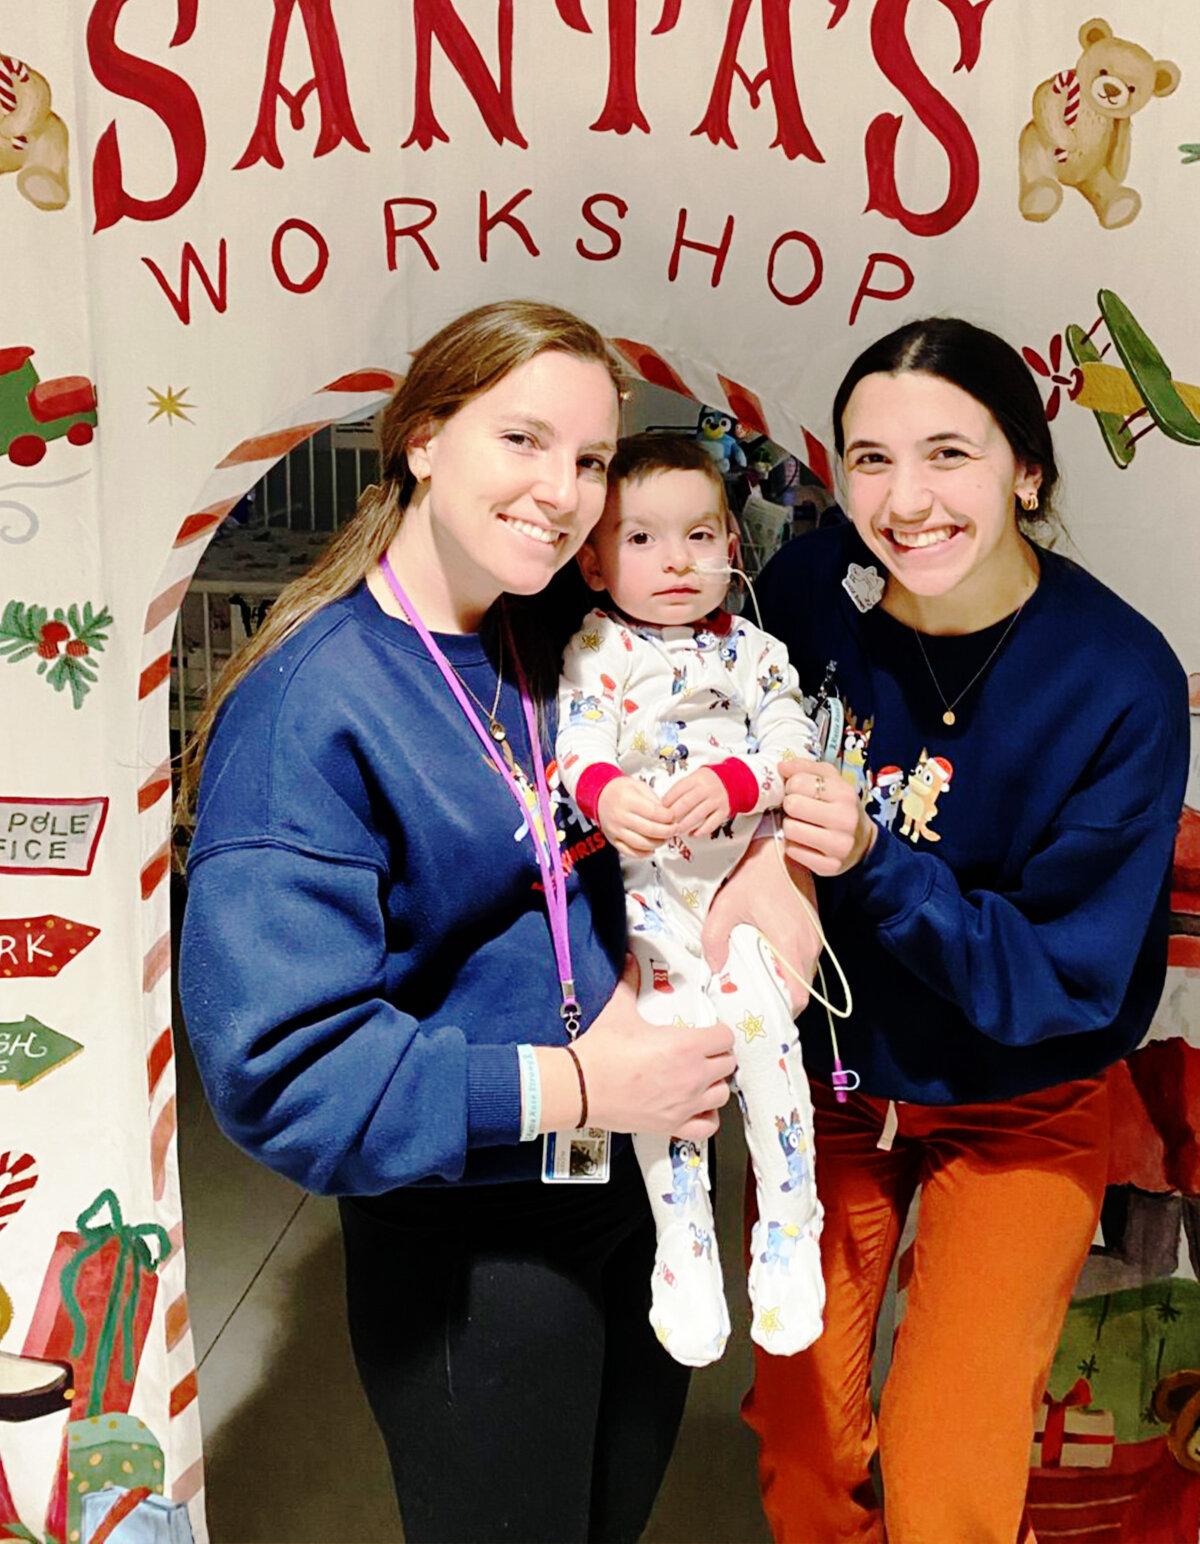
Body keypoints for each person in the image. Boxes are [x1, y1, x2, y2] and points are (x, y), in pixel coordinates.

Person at [177, 301, 740, 1544]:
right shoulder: (312, 702)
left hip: (637, 1196)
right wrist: (577, 1087)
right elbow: (285, 1073)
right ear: (424, 438)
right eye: (523, 441)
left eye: (591, 461)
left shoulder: (567, 646)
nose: (564, 493)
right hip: (472, 1235)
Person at [701, 317, 1189, 1543]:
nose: (905, 501)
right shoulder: (813, 591)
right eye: (869, 460)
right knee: (805, 1448)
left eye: (948, 456)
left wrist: (875, 861)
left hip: (1022, 1099)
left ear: (1027, 469)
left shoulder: (1118, 679)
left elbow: (1067, 986)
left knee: (949, 1464)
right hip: (831, 1090)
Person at [557, 433, 826, 1369]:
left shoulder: (755, 649)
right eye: (642, 539)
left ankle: (790, 1226)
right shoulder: (596, 647)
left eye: (699, 536)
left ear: (731, 548)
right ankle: (687, 1246)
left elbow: (798, 745)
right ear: (593, 560)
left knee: (763, 1035)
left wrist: (744, 780)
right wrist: (607, 795)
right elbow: (577, 747)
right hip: (648, 900)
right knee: (672, 1062)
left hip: (742, 886)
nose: (676, 560)